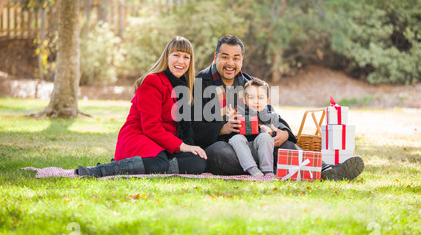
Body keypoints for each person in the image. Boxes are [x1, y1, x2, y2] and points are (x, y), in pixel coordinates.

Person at [192, 35, 364, 181]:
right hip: (226, 145)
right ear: (215, 58)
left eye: (236, 58)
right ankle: (274, 166)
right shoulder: (201, 82)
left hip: (257, 143)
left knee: (287, 144)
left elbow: (270, 112)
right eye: (225, 57)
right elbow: (193, 126)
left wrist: (284, 132)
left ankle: (326, 170)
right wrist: (222, 128)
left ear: (242, 60)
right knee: (218, 154)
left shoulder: (249, 82)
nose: (231, 63)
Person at [76, 36, 207, 177]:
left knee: (198, 161)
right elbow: (151, 127)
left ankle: (151, 166)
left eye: (186, 57)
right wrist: (183, 146)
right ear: (167, 57)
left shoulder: (185, 88)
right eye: (176, 55)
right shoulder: (153, 81)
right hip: (139, 137)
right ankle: (101, 170)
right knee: (160, 161)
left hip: (163, 144)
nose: (181, 61)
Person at [228, 78, 280, 177]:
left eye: (260, 98)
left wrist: (270, 132)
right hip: (241, 152)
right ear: (245, 100)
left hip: (259, 150)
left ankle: (267, 171)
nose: (256, 101)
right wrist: (232, 120)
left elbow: (276, 131)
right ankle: (253, 170)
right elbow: (232, 133)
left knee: (265, 137)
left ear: (267, 100)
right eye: (251, 98)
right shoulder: (240, 112)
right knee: (236, 138)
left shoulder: (270, 114)